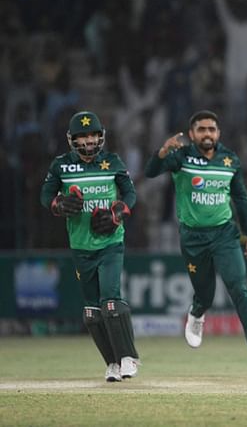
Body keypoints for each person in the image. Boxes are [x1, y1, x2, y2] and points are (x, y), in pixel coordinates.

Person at [144, 110, 247, 374]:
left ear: (218, 133)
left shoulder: (229, 159)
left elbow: (241, 199)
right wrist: (161, 153)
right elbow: (151, 172)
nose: (207, 134)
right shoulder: (181, 157)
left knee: (239, 288)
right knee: (205, 294)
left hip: (224, 235)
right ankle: (197, 311)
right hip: (193, 238)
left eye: (211, 129)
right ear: (192, 134)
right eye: (201, 129)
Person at [41, 111, 140, 382]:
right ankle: (112, 364)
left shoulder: (113, 161)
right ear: (72, 139)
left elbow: (129, 192)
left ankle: (128, 357)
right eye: (82, 136)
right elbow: (46, 195)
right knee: (91, 312)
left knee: (110, 300)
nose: (88, 141)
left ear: (101, 136)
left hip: (110, 242)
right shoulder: (61, 166)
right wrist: (58, 204)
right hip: (80, 245)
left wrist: (120, 211)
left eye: (92, 135)